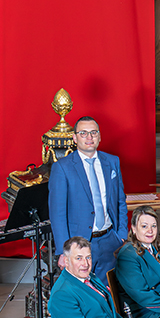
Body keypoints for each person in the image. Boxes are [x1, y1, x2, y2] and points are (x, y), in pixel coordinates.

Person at [49, 116, 126, 281]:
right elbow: (58, 213)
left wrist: (121, 235)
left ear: (99, 136)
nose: (89, 137)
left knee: (111, 291)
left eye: (93, 133)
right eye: (83, 133)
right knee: (84, 294)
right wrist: (64, 251)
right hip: (79, 244)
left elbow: (120, 201)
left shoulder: (112, 162)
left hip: (109, 240)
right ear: (75, 138)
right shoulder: (62, 168)